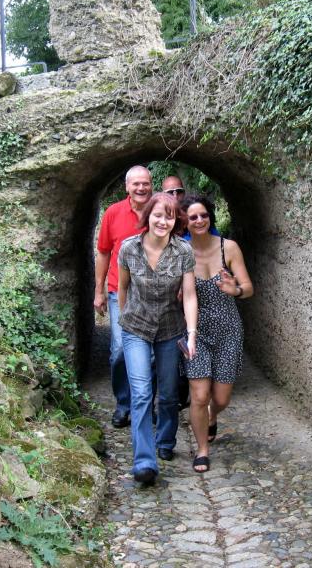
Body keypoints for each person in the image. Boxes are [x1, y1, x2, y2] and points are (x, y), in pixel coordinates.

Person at [118, 193, 198, 485]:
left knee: (168, 393)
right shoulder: (129, 248)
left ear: (176, 221)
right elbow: (123, 289)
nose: (163, 221)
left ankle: (165, 440)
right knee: (141, 393)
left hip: (170, 328)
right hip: (136, 327)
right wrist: (125, 320)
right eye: (158, 215)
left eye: (169, 216)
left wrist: (191, 334)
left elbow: (189, 295)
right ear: (148, 216)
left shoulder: (183, 251)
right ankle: (144, 461)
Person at [181, 195, 253, 473]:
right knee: (199, 395)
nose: (199, 220)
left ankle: (212, 416)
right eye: (193, 217)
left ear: (210, 217)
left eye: (203, 215)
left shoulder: (228, 248)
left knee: (220, 399)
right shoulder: (181, 251)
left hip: (228, 330)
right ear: (185, 222)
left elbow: (248, 288)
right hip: (196, 332)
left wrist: (235, 289)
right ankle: (202, 450)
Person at [94, 165, 152, 428]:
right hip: (121, 291)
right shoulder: (113, 213)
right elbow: (104, 252)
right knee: (119, 349)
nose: (141, 188)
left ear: (151, 185)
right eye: (136, 184)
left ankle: (145, 402)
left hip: (154, 293)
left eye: (145, 183)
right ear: (127, 186)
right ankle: (123, 403)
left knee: (151, 352)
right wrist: (99, 290)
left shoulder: (159, 210)